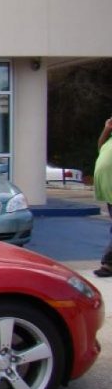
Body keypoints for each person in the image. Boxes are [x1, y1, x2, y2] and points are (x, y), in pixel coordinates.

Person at [93, 117, 112, 277]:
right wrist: (106, 129)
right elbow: (100, 145)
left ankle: (108, 264)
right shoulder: (108, 142)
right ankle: (108, 264)